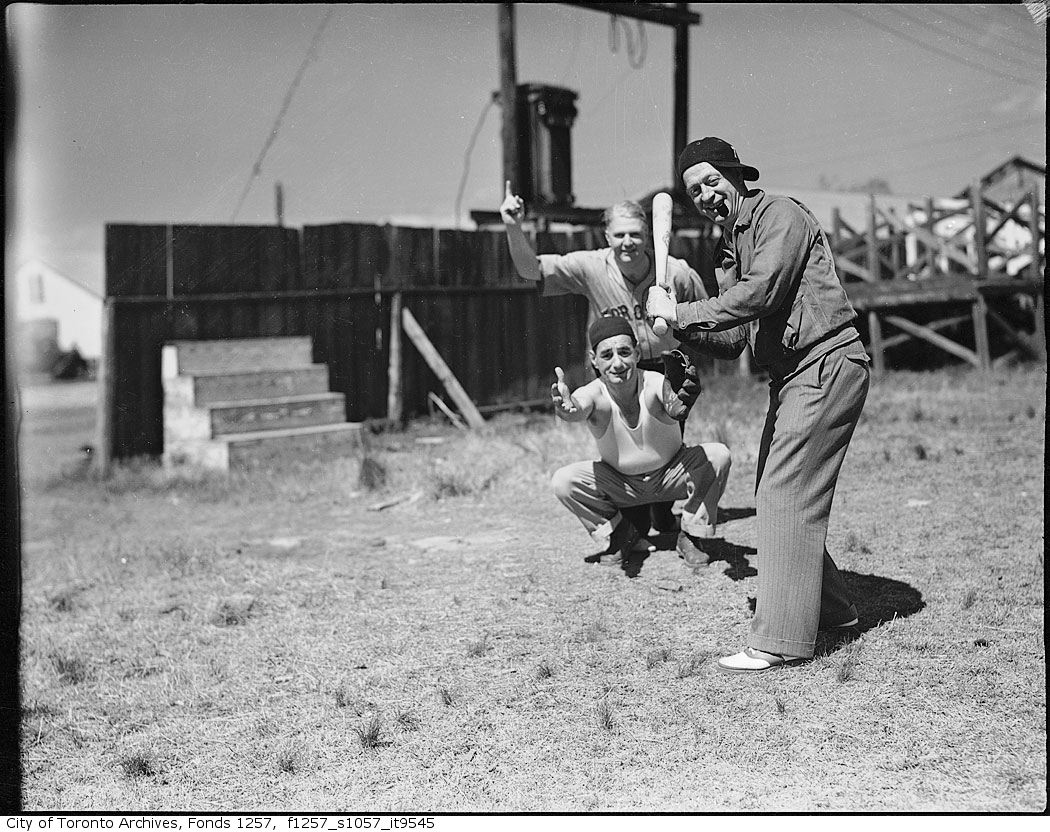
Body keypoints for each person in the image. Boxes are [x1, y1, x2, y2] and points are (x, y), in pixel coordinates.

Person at [646, 137, 870, 674]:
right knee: (778, 490)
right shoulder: (728, 249)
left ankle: (782, 640)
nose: (703, 194)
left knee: (782, 490)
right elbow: (737, 337)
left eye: (709, 180)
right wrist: (675, 334)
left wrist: (680, 312)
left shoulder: (779, 215)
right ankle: (832, 610)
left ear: (733, 175)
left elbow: (764, 292)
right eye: (692, 190)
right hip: (790, 374)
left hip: (826, 359)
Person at [500, 180, 714, 538]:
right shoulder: (592, 266)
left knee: (667, 445)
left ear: (649, 236)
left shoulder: (675, 271)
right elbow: (530, 269)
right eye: (619, 235)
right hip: (616, 367)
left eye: (635, 234)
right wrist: (511, 225)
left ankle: (663, 511)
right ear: (607, 236)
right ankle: (633, 515)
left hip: (664, 368)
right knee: (619, 445)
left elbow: (708, 317)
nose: (627, 242)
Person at [548, 315, 732, 578]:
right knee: (563, 481)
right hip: (623, 485)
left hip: (672, 475)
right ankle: (622, 532)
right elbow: (578, 406)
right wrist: (568, 410)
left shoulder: (653, 381)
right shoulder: (594, 393)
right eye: (607, 355)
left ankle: (691, 534)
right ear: (594, 359)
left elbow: (668, 395)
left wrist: (678, 399)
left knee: (718, 455)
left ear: (636, 352)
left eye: (624, 352)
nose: (618, 363)